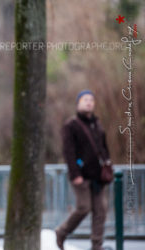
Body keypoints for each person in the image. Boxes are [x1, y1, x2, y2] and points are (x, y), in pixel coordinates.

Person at [55, 90, 112, 250]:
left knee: (100, 211)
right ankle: (62, 232)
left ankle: (96, 245)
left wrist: (108, 166)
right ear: (78, 103)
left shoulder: (97, 124)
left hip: (98, 176)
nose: (89, 102)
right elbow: (69, 152)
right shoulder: (71, 125)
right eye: (85, 99)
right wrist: (75, 174)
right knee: (84, 207)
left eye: (91, 100)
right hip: (81, 175)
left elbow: (104, 148)